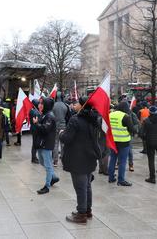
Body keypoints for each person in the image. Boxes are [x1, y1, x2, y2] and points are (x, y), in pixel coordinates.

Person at [60, 96, 101, 224]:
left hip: (78, 158)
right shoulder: (93, 119)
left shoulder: (75, 120)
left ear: (82, 105)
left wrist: (61, 133)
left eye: (77, 102)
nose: (74, 104)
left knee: (80, 187)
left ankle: (81, 214)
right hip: (89, 157)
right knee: (87, 185)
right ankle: (87, 210)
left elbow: (66, 138)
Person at [33, 97, 59, 195]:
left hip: (46, 144)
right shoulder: (44, 114)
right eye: (39, 103)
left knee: (48, 165)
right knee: (41, 161)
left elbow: (45, 129)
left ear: (46, 105)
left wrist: (36, 123)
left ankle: (47, 186)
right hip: (41, 143)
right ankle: (53, 177)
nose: (39, 105)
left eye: (41, 103)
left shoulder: (50, 116)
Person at [108, 102, 134, 186]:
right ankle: (121, 180)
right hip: (124, 142)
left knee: (112, 159)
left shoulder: (110, 114)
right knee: (122, 161)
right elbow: (132, 129)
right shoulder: (125, 116)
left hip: (112, 141)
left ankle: (111, 178)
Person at [142, 106, 157, 184]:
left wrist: (144, 138)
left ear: (149, 112)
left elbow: (142, 133)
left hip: (149, 143)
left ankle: (152, 178)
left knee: (151, 160)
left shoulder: (146, 121)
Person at [52, 91, 70, 167]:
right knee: (63, 144)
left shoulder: (53, 105)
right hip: (63, 127)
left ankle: (55, 161)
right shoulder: (65, 106)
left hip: (55, 126)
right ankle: (63, 161)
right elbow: (68, 117)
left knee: (55, 144)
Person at [29, 99, 40, 164]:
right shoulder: (35, 112)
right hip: (35, 129)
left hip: (34, 128)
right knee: (35, 144)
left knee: (35, 143)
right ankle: (33, 158)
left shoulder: (33, 110)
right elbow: (36, 121)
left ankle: (34, 157)